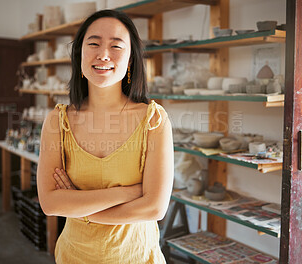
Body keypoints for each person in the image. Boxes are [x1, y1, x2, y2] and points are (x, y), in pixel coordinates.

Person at [37, 9, 174, 264]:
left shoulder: (153, 120)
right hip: (73, 256)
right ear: (79, 54)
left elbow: (155, 207)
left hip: (138, 257)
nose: (103, 54)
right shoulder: (58, 121)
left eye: (116, 46)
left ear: (131, 58)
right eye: (94, 44)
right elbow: (50, 203)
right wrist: (129, 193)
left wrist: (80, 207)